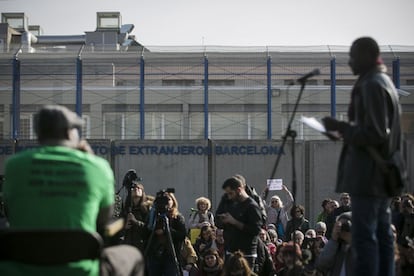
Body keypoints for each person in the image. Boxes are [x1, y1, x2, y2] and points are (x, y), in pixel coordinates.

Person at [1, 105, 143, 275]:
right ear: (70, 133)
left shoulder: (15, 166)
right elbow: (102, 220)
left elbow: (10, 211)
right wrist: (91, 160)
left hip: (19, 268)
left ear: (39, 133)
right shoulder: (98, 166)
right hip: (81, 269)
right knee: (134, 256)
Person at [322, 37, 403, 276]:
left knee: (364, 236)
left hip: (368, 175)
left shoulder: (371, 84)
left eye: (353, 56)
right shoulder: (384, 81)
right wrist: (346, 131)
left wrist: (341, 126)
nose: (350, 61)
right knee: (382, 233)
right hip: (382, 173)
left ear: (368, 55)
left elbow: (376, 133)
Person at [215, 176, 262, 270]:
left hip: (246, 253)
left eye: (231, 193)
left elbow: (256, 230)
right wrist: (223, 220)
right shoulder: (228, 202)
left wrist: (234, 222)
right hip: (230, 250)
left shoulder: (251, 206)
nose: (229, 196)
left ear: (239, 190)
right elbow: (217, 218)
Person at [146, 191, 187, 276]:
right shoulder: (152, 216)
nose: (166, 202)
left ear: (173, 201)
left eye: (168, 199)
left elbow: (182, 235)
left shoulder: (178, 217)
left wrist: (167, 230)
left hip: (171, 255)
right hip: (154, 254)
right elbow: (146, 232)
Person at [121, 178, 153, 252]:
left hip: (143, 247)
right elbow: (119, 225)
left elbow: (149, 229)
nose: (136, 189)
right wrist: (124, 226)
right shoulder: (126, 208)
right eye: (134, 188)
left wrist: (135, 222)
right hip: (128, 246)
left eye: (139, 188)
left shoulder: (147, 208)